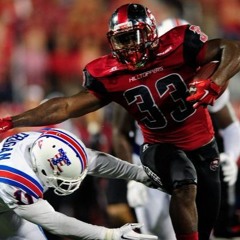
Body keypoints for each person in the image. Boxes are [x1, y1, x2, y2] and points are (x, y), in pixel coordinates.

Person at [0, 3, 240, 240]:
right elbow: (66, 106)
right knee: (184, 185)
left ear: (151, 33)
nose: (129, 46)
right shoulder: (111, 75)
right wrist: (14, 120)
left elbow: (231, 49)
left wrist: (215, 82)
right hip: (159, 146)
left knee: (208, 217)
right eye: (122, 39)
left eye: (134, 36)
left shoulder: (179, 46)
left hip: (203, 146)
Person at [0, 127, 158, 240]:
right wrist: (109, 235)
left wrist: (140, 174)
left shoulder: (48, 145)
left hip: (14, 208)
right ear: (42, 170)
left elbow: (95, 162)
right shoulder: (15, 181)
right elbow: (55, 222)